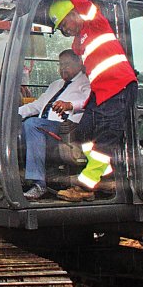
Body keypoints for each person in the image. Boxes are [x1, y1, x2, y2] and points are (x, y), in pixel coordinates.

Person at [50, 0, 138, 202]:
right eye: (60, 29)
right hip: (101, 92)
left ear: (73, 14)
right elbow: (78, 52)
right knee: (83, 131)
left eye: (64, 25)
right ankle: (106, 179)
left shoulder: (95, 22)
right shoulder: (81, 41)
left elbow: (81, 2)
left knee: (106, 139)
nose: (65, 31)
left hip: (118, 86)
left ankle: (86, 186)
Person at [20, 50, 91, 200]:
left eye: (67, 64)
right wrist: (11, 114)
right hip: (42, 126)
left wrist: (70, 105)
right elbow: (37, 105)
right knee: (9, 128)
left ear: (79, 63)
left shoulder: (86, 83)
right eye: (60, 65)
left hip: (63, 130)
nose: (62, 68)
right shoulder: (55, 85)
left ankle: (39, 184)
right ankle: (3, 180)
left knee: (32, 124)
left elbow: (88, 103)